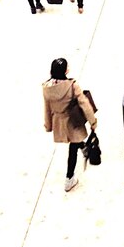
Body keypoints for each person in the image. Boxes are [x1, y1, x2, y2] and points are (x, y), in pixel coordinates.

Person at [43, 58, 97, 192]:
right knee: (73, 147)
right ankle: (69, 178)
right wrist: (93, 121)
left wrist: (48, 125)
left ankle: (83, 147)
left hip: (59, 121)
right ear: (66, 70)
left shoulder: (46, 88)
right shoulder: (72, 86)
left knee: (74, 142)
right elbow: (84, 104)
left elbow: (46, 108)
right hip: (73, 121)